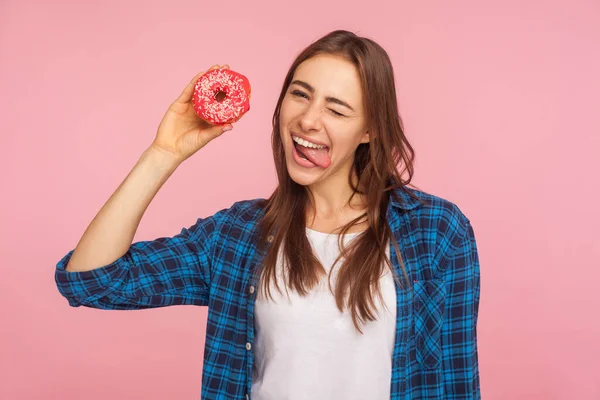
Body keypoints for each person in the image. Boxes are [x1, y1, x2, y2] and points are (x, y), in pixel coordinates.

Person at [55, 29, 481, 400]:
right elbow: (93, 282)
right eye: (300, 94)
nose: (308, 120)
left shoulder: (437, 232)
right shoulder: (240, 234)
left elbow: (457, 380)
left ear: (369, 130)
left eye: (336, 109)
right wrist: (162, 155)